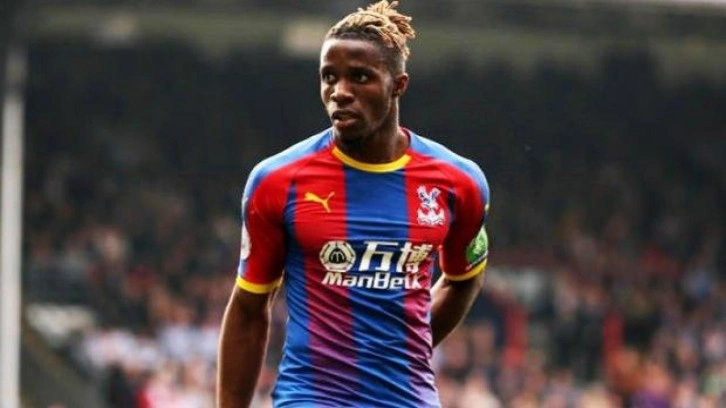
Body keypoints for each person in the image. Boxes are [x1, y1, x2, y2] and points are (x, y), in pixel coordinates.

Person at [217, 1, 491, 407]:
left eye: (360, 77)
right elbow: (248, 308)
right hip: (312, 397)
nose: (340, 92)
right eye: (329, 77)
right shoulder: (277, 181)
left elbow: (462, 279)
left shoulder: (459, 182)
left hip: (408, 398)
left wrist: (398, 349)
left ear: (398, 85)